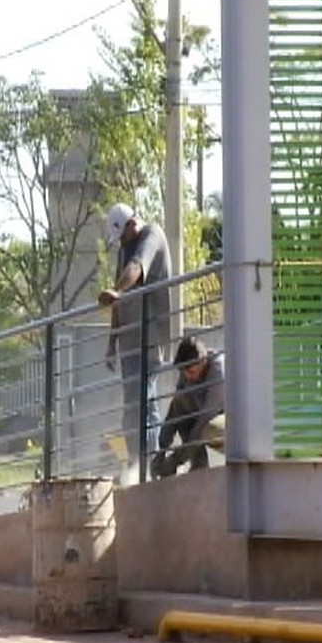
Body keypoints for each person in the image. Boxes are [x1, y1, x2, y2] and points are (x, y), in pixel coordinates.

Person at [99, 202, 172, 482]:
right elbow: (118, 303)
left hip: (149, 338)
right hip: (130, 341)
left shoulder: (151, 235)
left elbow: (136, 269)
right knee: (132, 408)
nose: (123, 243)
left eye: (123, 236)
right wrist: (111, 342)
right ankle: (134, 466)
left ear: (131, 224)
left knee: (144, 404)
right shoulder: (124, 249)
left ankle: (147, 469)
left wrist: (116, 291)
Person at [151, 335, 225, 479]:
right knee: (180, 404)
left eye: (191, 372)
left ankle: (202, 471)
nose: (187, 377)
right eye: (184, 373)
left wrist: (174, 460)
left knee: (208, 429)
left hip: (228, 422)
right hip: (205, 416)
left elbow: (203, 422)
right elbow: (176, 407)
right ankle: (199, 467)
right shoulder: (188, 369)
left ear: (203, 362)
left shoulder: (218, 371)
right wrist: (161, 450)